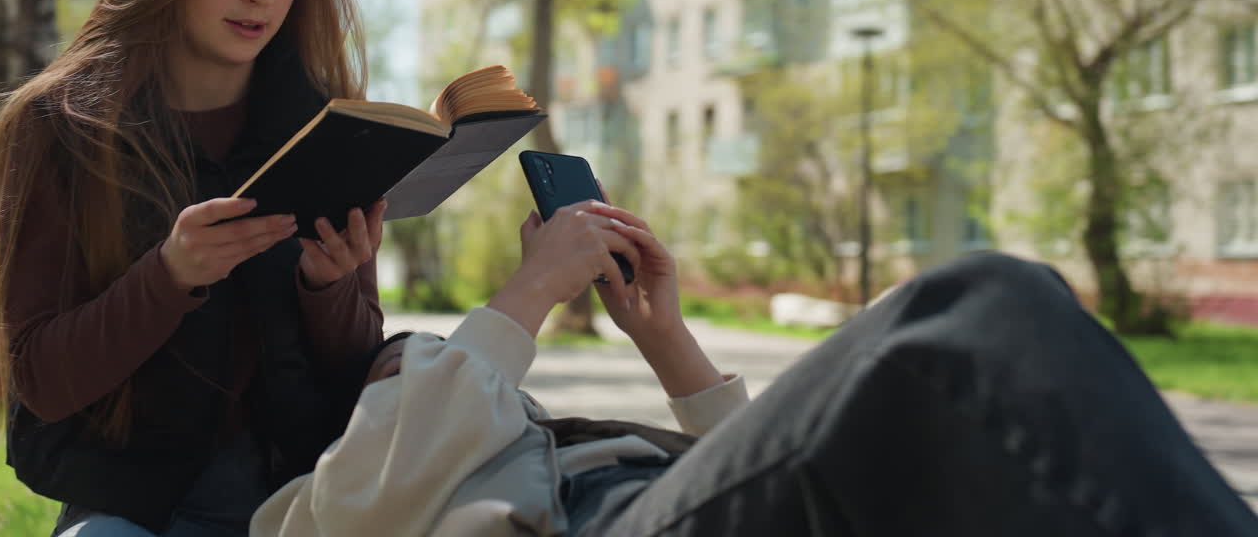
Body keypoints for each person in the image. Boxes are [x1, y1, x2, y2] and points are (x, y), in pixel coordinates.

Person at [252, 200, 1258, 537]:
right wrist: (525, 294)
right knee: (972, 313)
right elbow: (366, 501)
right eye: (405, 367)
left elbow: (766, 467)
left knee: (986, 357)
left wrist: (663, 338)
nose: (430, 364)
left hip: (676, 505)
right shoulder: (319, 505)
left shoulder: (484, 427)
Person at [0, 0, 387, 537]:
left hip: (304, 503)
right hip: (130, 508)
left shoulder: (327, 130)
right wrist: (169, 276)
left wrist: (332, 291)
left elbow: (359, 364)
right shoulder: (56, 127)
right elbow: (39, 382)